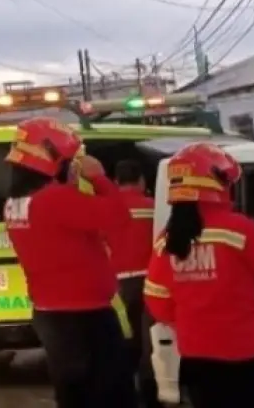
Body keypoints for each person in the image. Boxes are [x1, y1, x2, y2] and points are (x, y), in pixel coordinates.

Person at [144, 142, 254, 408]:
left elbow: (156, 299)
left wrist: (190, 320)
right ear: (215, 183)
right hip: (251, 355)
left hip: (198, 358)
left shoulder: (165, 240)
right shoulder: (238, 228)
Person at [2, 117, 137, 408]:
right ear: (52, 160)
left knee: (73, 392)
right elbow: (118, 216)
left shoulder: (16, 204)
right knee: (111, 394)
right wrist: (99, 177)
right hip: (84, 315)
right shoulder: (54, 199)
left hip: (51, 313)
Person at [109, 159, 161, 408]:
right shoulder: (153, 207)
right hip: (150, 283)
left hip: (117, 287)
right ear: (141, 181)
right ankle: (150, 397)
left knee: (124, 343)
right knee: (149, 343)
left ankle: (127, 397)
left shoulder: (105, 209)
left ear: (116, 182)